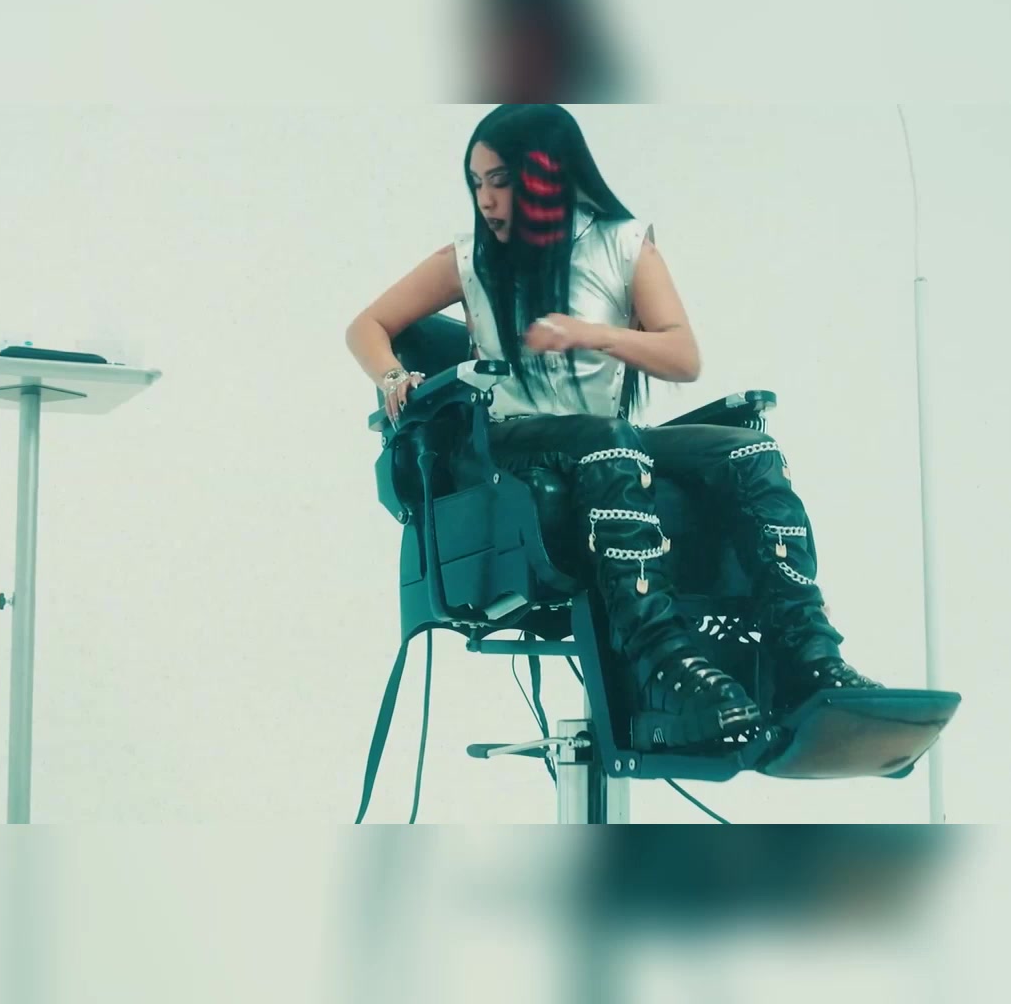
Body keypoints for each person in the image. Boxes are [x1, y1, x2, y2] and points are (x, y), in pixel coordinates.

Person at [345, 104, 881, 753]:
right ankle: (661, 661)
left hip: (603, 437)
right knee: (608, 443)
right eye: (477, 182)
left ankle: (807, 654)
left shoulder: (625, 246)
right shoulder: (468, 258)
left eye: (501, 181)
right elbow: (367, 325)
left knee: (752, 451)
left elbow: (683, 357)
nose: (486, 199)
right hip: (513, 442)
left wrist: (593, 334)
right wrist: (391, 377)